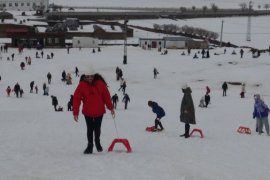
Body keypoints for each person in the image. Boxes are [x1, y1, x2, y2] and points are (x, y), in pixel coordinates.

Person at [73, 66, 115, 154]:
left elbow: (106, 96)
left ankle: (97, 142)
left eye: (91, 76)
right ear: (85, 76)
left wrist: (111, 108)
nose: (89, 78)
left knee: (97, 128)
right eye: (88, 77)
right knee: (89, 129)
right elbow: (76, 98)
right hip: (87, 112)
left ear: (94, 76)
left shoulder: (100, 83)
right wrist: (75, 112)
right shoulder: (82, 85)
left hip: (99, 111)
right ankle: (90, 145)